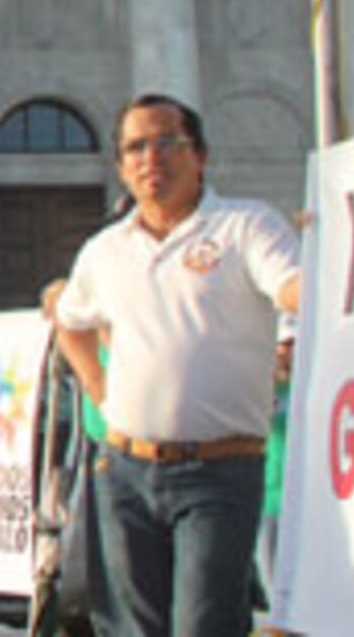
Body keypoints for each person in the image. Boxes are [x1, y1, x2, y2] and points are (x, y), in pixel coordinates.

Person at [52, 95, 301, 637]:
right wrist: (99, 389)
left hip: (219, 472)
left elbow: (291, 286)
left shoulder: (244, 226)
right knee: (134, 628)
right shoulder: (106, 249)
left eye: (168, 142)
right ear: (120, 166)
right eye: (136, 147)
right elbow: (68, 319)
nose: (151, 157)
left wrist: (343, 264)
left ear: (202, 155)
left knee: (202, 624)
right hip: (124, 471)